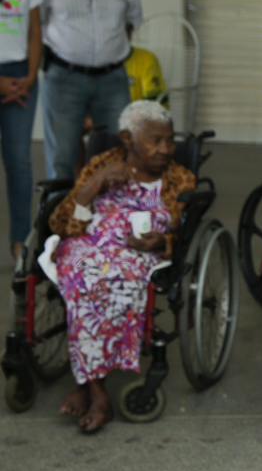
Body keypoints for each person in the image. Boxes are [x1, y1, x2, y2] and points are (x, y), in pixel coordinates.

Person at [48, 100, 194, 434]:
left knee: (113, 281)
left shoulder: (180, 178)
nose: (166, 149)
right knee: (81, 274)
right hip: (88, 243)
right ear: (127, 139)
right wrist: (92, 186)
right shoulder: (102, 163)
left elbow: (184, 235)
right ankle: (97, 391)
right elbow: (62, 224)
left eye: (170, 140)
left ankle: (87, 385)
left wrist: (160, 242)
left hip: (135, 253)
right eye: (155, 140)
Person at [30, 0, 142, 180]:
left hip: (113, 79)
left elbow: (130, 22)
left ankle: (107, 219)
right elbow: (37, 26)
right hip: (63, 79)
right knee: (62, 157)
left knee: (116, 153)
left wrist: (106, 51)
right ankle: (61, 219)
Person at [0, 0, 42, 259]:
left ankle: (19, 242)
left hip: (19, 76)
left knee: (18, 160)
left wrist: (29, 76)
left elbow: (34, 29)